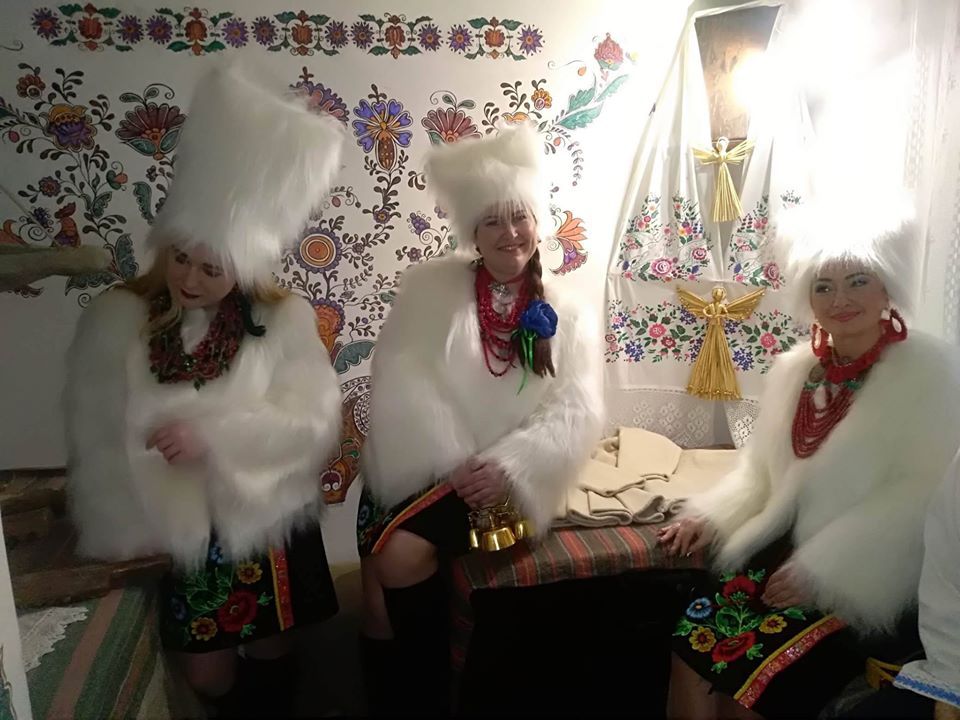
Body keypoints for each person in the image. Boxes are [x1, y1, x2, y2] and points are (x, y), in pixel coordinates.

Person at [64, 65, 345, 717]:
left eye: (211, 268)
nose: (188, 279)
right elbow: (96, 436)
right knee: (208, 675)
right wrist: (124, 531)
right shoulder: (118, 320)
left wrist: (216, 438)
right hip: (177, 529)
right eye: (180, 257)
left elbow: (314, 423)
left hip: (263, 515)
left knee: (273, 653)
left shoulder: (282, 319)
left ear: (242, 268)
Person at [658, 203, 960, 719]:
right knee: (689, 651)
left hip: (861, 574)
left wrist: (822, 571)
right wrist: (708, 516)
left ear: (887, 288)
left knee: (751, 683)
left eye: (858, 281)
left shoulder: (930, 374)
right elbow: (760, 471)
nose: (840, 299)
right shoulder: (795, 370)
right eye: (824, 286)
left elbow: (919, 501)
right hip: (777, 551)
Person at [356, 124, 604, 715]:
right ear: (472, 232)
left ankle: (427, 697)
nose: (509, 233)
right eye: (492, 221)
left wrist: (508, 465)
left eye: (519, 217)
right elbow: (402, 380)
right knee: (376, 588)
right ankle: (406, 691)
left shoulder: (570, 310)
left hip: (507, 479)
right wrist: (451, 458)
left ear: (537, 222)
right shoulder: (430, 290)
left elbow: (577, 410)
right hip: (429, 462)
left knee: (398, 556)